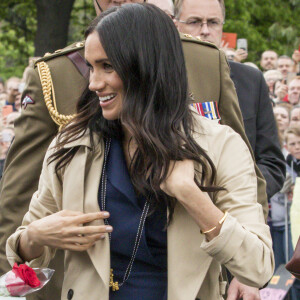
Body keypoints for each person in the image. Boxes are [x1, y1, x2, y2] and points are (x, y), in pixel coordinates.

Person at [0, 1, 268, 300]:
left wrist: (191, 195)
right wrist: (36, 236)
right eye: (91, 67)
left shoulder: (220, 145)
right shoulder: (71, 145)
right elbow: (20, 255)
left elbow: (257, 267)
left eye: (107, 66)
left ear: (146, 66)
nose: (93, 83)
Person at [174, 0, 285, 204]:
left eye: (213, 22)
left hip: (242, 214)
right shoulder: (160, 80)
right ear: (176, 25)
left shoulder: (252, 80)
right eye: (195, 21)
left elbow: (272, 163)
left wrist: (241, 196)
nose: (205, 30)